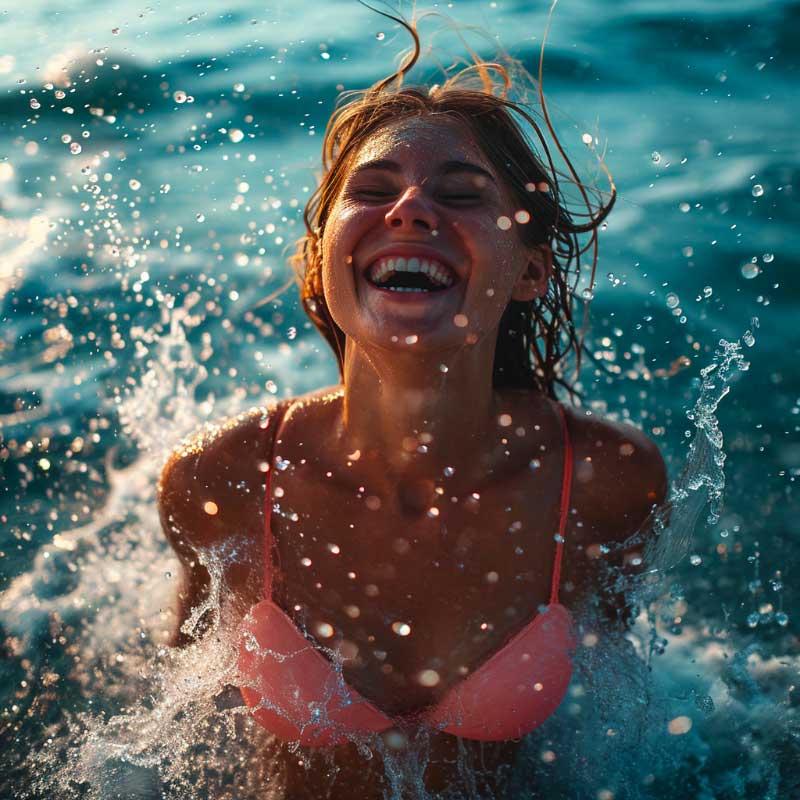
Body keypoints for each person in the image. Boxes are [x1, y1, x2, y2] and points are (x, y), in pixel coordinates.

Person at [158, 15, 667, 799]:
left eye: (461, 195)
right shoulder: (222, 478)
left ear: (530, 272)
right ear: (324, 256)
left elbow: (624, 722)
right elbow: (173, 714)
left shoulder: (605, 482)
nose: (410, 210)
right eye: (371, 191)